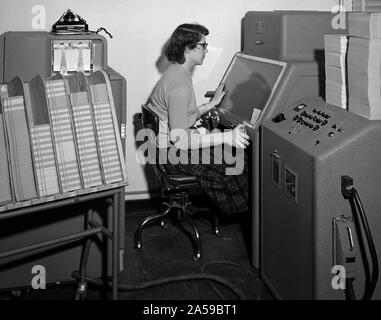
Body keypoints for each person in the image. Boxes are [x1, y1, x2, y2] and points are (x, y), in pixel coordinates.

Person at [146, 23, 250, 215]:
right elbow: (181, 139)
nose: (206, 50)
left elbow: (182, 116)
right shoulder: (180, 85)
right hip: (172, 154)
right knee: (237, 162)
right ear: (188, 48)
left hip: (165, 147)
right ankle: (245, 215)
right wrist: (227, 137)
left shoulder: (176, 72)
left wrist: (209, 105)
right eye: (203, 45)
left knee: (226, 150)